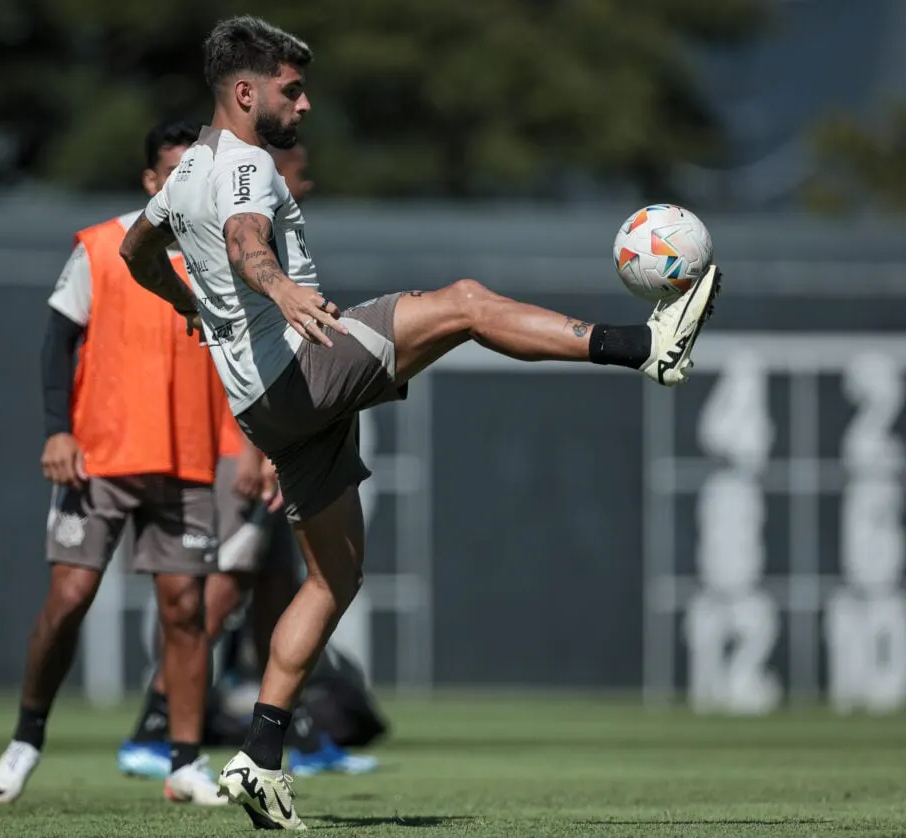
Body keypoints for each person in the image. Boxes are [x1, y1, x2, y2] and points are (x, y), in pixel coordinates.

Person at [121, 16, 722, 830]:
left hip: (265, 406)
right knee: (467, 304)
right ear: (244, 91)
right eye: (291, 90)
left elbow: (136, 251)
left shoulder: (185, 168)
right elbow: (244, 240)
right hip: (302, 362)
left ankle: (260, 760)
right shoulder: (243, 168)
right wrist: (281, 291)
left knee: (335, 581)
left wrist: (189, 306)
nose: (304, 104)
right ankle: (647, 345)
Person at [0, 120, 227, 807]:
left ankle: (184, 762)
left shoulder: (226, 257)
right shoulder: (101, 247)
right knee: (69, 602)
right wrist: (58, 432)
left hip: (187, 462)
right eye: (175, 176)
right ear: (152, 182)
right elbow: (57, 342)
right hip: (101, 459)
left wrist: (260, 449)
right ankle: (28, 736)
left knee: (184, 611)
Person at [117, 142, 378, 780]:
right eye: (298, 165)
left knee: (277, 593)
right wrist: (250, 451)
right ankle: (156, 721)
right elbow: (246, 367)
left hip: (272, 447)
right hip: (251, 451)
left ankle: (297, 730)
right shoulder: (239, 216)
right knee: (219, 593)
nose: (306, 176)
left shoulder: (272, 235)